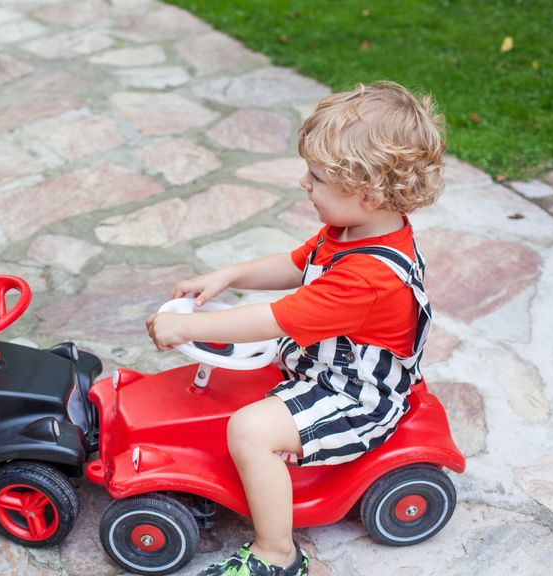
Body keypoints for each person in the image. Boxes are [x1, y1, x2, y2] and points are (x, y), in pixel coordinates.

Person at [146, 81, 445, 576]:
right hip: (319, 365)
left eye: (318, 177)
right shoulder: (351, 230)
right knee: (235, 386)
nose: (304, 183)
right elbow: (295, 264)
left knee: (249, 429)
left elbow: (275, 317)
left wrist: (186, 328)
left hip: (355, 396)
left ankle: (277, 553)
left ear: (367, 193)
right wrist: (229, 276)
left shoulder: (368, 278)